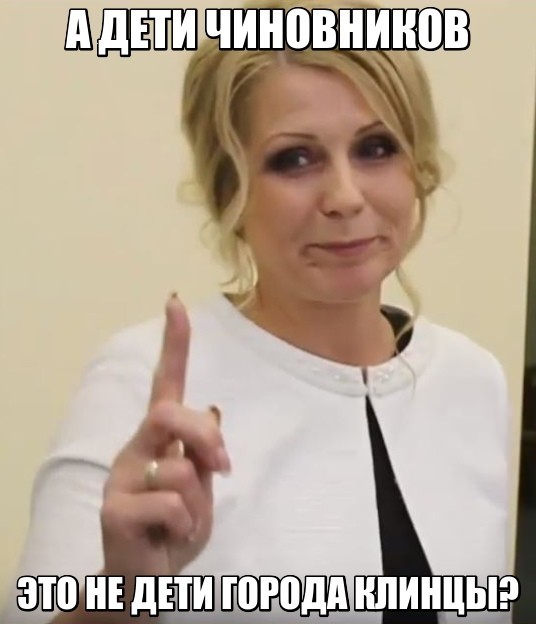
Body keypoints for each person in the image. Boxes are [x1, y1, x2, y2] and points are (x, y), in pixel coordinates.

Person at [4, 0, 514, 622]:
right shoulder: (143, 386)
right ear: (230, 191)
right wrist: (124, 591)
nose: (345, 196)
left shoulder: (473, 380)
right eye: (294, 159)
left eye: (377, 148)